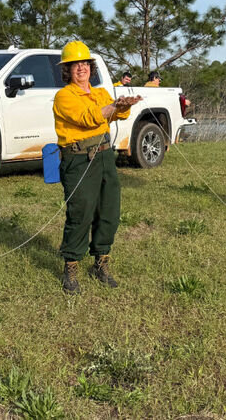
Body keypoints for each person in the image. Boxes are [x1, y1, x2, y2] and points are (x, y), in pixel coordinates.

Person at [52, 41, 141, 294]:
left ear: (91, 68)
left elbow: (116, 115)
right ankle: (70, 268)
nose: (81, 68)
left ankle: (100, 264)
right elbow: (88, 117)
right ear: (67, 70)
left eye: (85, 64)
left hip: (104, 157)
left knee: (109, 211)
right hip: (78, 160)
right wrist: (114, 107)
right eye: (75, 65)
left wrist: (124, 105)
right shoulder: (64, 96)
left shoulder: (101, 93)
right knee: (80, 214)